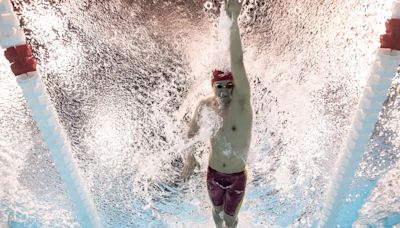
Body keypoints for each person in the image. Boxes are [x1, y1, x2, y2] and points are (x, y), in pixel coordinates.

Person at [181, 0, 252, 227]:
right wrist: (190, 159)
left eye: (228, 86)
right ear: (212, 87)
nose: (223, 91)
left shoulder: (242, 104)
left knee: (230, 220)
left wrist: (233, 24)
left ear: (235, 86)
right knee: (216, 212)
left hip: (236, 177)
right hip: (212, 173)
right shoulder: (205, 104)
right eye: (219, 86)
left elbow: (238, 63)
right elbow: (191, 133)